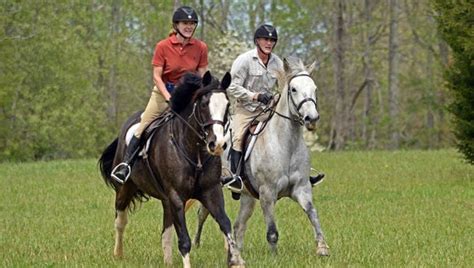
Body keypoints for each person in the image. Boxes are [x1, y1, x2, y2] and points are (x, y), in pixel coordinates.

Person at [222, 24, 324, 199]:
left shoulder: (278, 62)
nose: (269, 43)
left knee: (291, 132)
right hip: (245, 110)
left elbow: (284, 89)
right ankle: (235, 178)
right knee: (238, 136)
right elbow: (231, 87)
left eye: (272, 40)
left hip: (268, 110)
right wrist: (254, 96)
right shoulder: (244, 60)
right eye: (265, 39)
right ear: (257, 41)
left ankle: (302, 175)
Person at [112, 6, 208, 183]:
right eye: (185, 23)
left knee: (210, 125)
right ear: (176, 25)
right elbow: (157, 76)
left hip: (190, 95)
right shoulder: (163, 46)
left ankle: (225, 172)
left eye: (192, 23)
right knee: (143, 126)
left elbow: (203, 75)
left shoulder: (200, 47)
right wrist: (168, 97)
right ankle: (125, 165)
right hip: (164, 93)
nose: (189, 27)